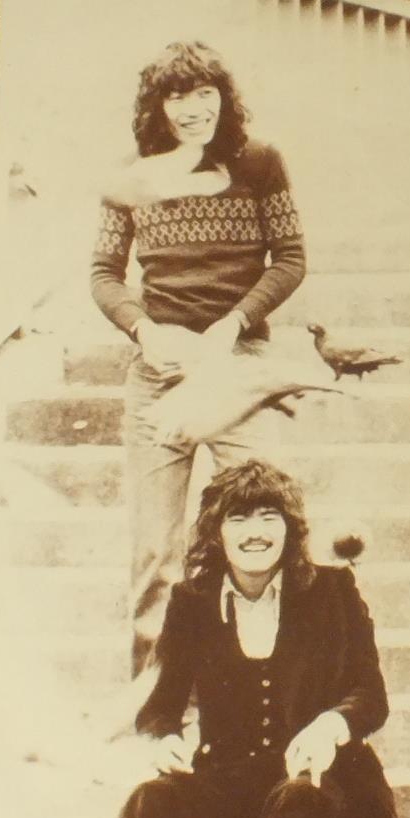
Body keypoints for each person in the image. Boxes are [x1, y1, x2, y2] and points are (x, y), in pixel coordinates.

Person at [89, 41, 307, 673]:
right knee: (155, 553)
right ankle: (157, 701)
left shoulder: (259, 162)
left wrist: (233, 324)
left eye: (205, 93)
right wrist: (143, 331)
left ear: (223, 98)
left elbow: (291, 258)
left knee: (268, 527)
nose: (193, 108)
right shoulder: (130, 175)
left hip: (240, 372)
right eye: (177, 96)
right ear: (157, 106)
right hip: (160, 375)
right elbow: (104, 274)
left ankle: (271, 686)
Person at [109, 460, 401, 818]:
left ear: (290, 529)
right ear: (216, 532)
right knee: (147, 801)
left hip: (323, 785)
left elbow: (370, 695)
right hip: (230, 788)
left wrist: (328, 728)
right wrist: (164, 740)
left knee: (297, 795)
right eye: (238, 519)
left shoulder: (332, 590)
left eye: (269, 517)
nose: (255, 533)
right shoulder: (192, 602)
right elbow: (158, 706)